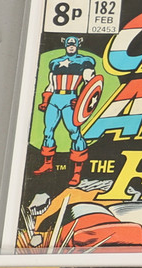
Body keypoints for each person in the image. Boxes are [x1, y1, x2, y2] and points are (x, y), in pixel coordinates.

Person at [35, 36, 100, 186]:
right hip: (55, 99)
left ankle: (77, 172)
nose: (71, 46)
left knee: (74, 133)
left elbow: (90, 83)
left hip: (70, 99)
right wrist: (45, 100)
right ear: (65, 45)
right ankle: (47, 164)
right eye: (69, 44)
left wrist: (82, 100)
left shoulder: (85, 61)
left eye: (73, 44)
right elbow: (51, 85)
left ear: (77, 45)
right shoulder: (55, 63)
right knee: (48, 131)